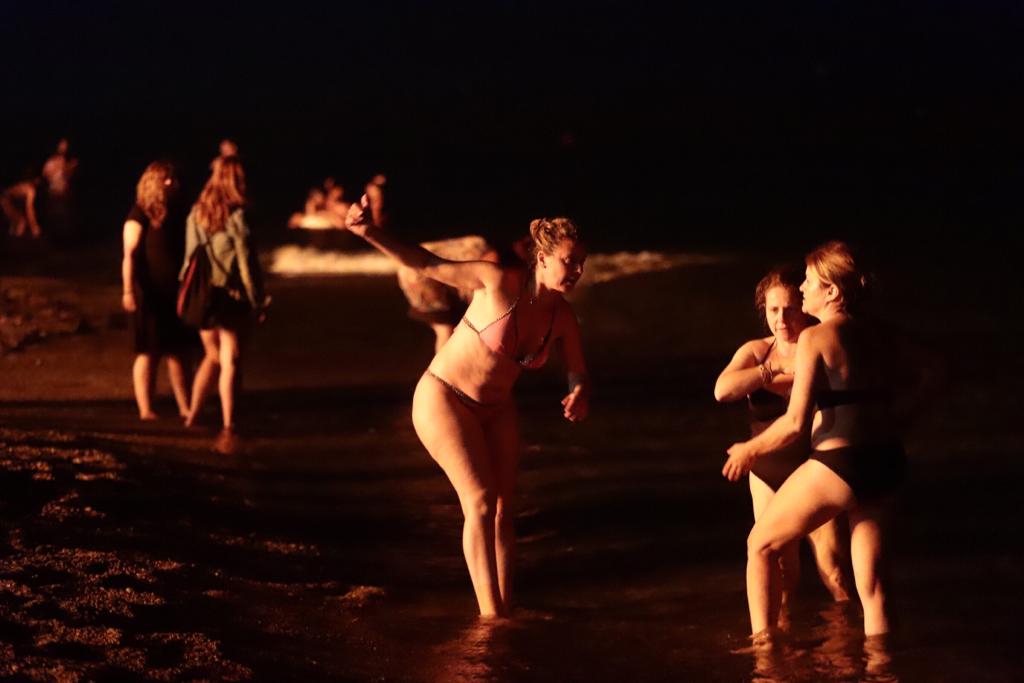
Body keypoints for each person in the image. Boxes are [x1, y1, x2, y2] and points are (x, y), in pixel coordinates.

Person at [346, 201, 590, 617]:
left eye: (582, 262)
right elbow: (426, 263)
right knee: (478, 500)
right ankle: (490, 617)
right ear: (543, 258)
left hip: (496, 408)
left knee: (502, 511)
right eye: (570, 261)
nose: (577, 270)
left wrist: (578, 392)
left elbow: (578, 371)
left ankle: (505, 610)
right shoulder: (495, 280)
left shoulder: (561, 316)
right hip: (444, 397)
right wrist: (369, 232)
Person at [723, 241, 921, 639]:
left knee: (760, 546)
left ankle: (766, 659)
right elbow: (936, 373)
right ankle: (883, 668)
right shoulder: (883, 332)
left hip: (841, 462)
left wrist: (749, 449)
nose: (802, 290)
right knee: (873, 585)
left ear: (832, 291)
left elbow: (795, 423)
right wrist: (904, 418)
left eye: (809, 283)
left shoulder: (818, 338)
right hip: (887, 461)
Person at [715, 266, 851, 607]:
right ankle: (782, 653)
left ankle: (848, 647)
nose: (781, 318)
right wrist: (769, 370)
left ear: (804, 307)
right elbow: (723, 390)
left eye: (789, 309)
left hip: (815, 467)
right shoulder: (758, 351)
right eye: (773, 310)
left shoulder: (822, 342)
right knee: (780, 567)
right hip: (766, 472)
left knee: (833, 569)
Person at [180, 156, 267, 446]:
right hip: (231, 298)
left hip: (203, 296)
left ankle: (192, 416)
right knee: (231, 360)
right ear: (236, 181)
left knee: (212, 356)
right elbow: (245, 264)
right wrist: (257, 301)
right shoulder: (237, 216)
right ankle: (229, 424)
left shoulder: (196, 213)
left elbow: (188, 260)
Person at [121, 161, 193, 420]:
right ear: (153, 182)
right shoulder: (139, 213)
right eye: (166, 179)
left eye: (172, 179)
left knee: (179, 352)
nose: (172, 183)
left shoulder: (177, 212)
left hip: (175, 292)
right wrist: (128, 290)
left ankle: (186, 407)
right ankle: (146, 409)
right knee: (147, 352)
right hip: (147, 293)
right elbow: (129, 255)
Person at [396, 235, 499, 353]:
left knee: (447, 329)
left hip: (416, 263)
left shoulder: (485, 247)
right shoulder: (494, 263)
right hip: (420, 272)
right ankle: (445, 368)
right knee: (445, 330)